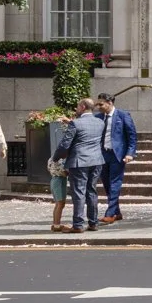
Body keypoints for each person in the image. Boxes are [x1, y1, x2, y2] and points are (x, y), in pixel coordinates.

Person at [53, 98, 106, 233]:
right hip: (96, 160)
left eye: (77, 106)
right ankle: (93, 223)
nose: (76, 109)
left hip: (79, 162)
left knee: (79, 193)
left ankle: (78, 225)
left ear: (82, 107)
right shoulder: (100, 122)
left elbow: (65, 144)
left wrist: (56, 157)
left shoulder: (75, 124)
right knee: (91, 191)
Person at [93, 93, 137, 224]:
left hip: (117, 155)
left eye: (101, 104)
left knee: (115, 183)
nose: (98, 107)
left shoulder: (123, 115)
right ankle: (117, 212)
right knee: (107, 184)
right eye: (97, 104)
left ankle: (110, 213)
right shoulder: (98, 117)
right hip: (102, 154)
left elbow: (132, 136)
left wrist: (130, 153)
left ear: (110, 103)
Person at [46, 152, 68, 231]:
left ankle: (55, 223)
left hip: (54, 179)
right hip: (59, 180)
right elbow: (64, 171)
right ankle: (56, 225)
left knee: (58, 203)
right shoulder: (60, 160)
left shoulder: (52, 157)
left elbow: (48, 168)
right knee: (60, 203)